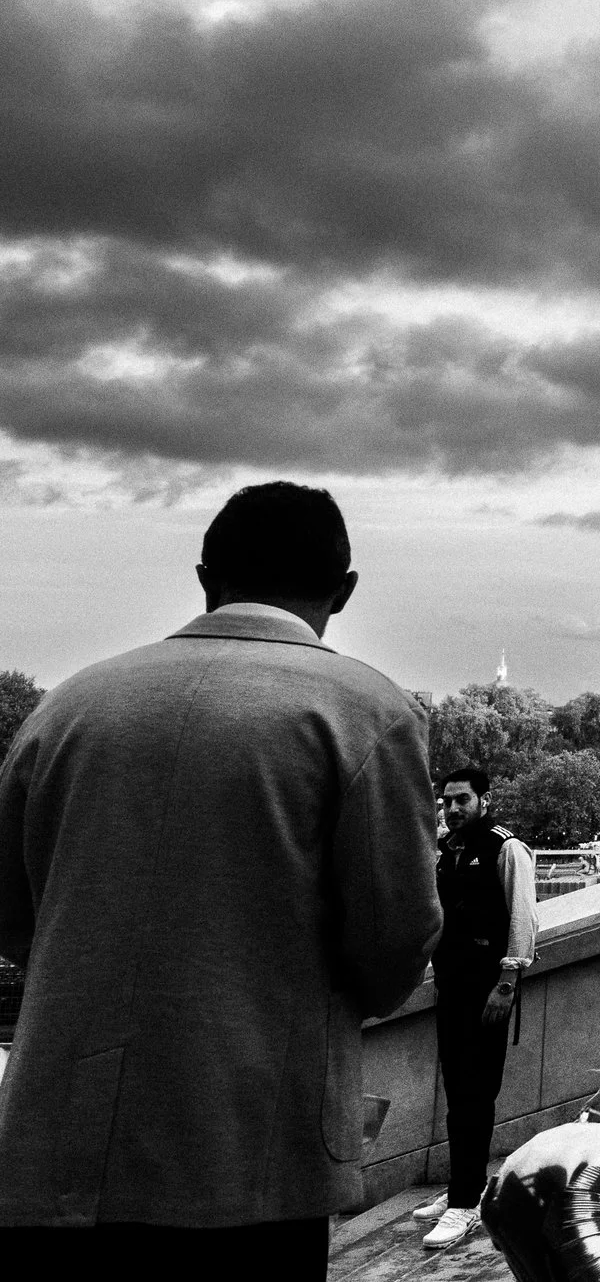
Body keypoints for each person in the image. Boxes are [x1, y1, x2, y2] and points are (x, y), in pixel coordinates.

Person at [0, 483, 440, 1278]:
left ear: (206, 579)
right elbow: (396, 932)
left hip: (61, 1140)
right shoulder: (365, 711)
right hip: (251, 1147)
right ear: (343, 592)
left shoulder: (67, 708)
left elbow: (12, 909)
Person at [409, 766, 538, 1251]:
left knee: (475, 1093)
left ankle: (466, 1205)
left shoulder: (506, 847)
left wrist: (507, 981)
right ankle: (464, 1186)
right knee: (456, 1089)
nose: (452, 809)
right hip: (453, 987)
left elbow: (523, 915)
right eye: (446, 802)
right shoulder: (448, 852)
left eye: (462, 800)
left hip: (489, 990)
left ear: (485, 799)